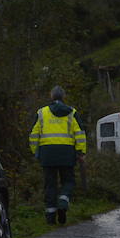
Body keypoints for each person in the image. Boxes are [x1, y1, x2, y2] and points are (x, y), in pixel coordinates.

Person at [29, 85, 87, 225]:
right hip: (67, 153)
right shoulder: (72, 113)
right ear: (64, 97)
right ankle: (63, 201)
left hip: (47, 154)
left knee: (50, 185)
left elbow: (33, 135)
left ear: (51, 96)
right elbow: (80, 134)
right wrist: (81, 152)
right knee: (68, 181)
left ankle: (50, 218)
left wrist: (36, 152)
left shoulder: (42, 112)